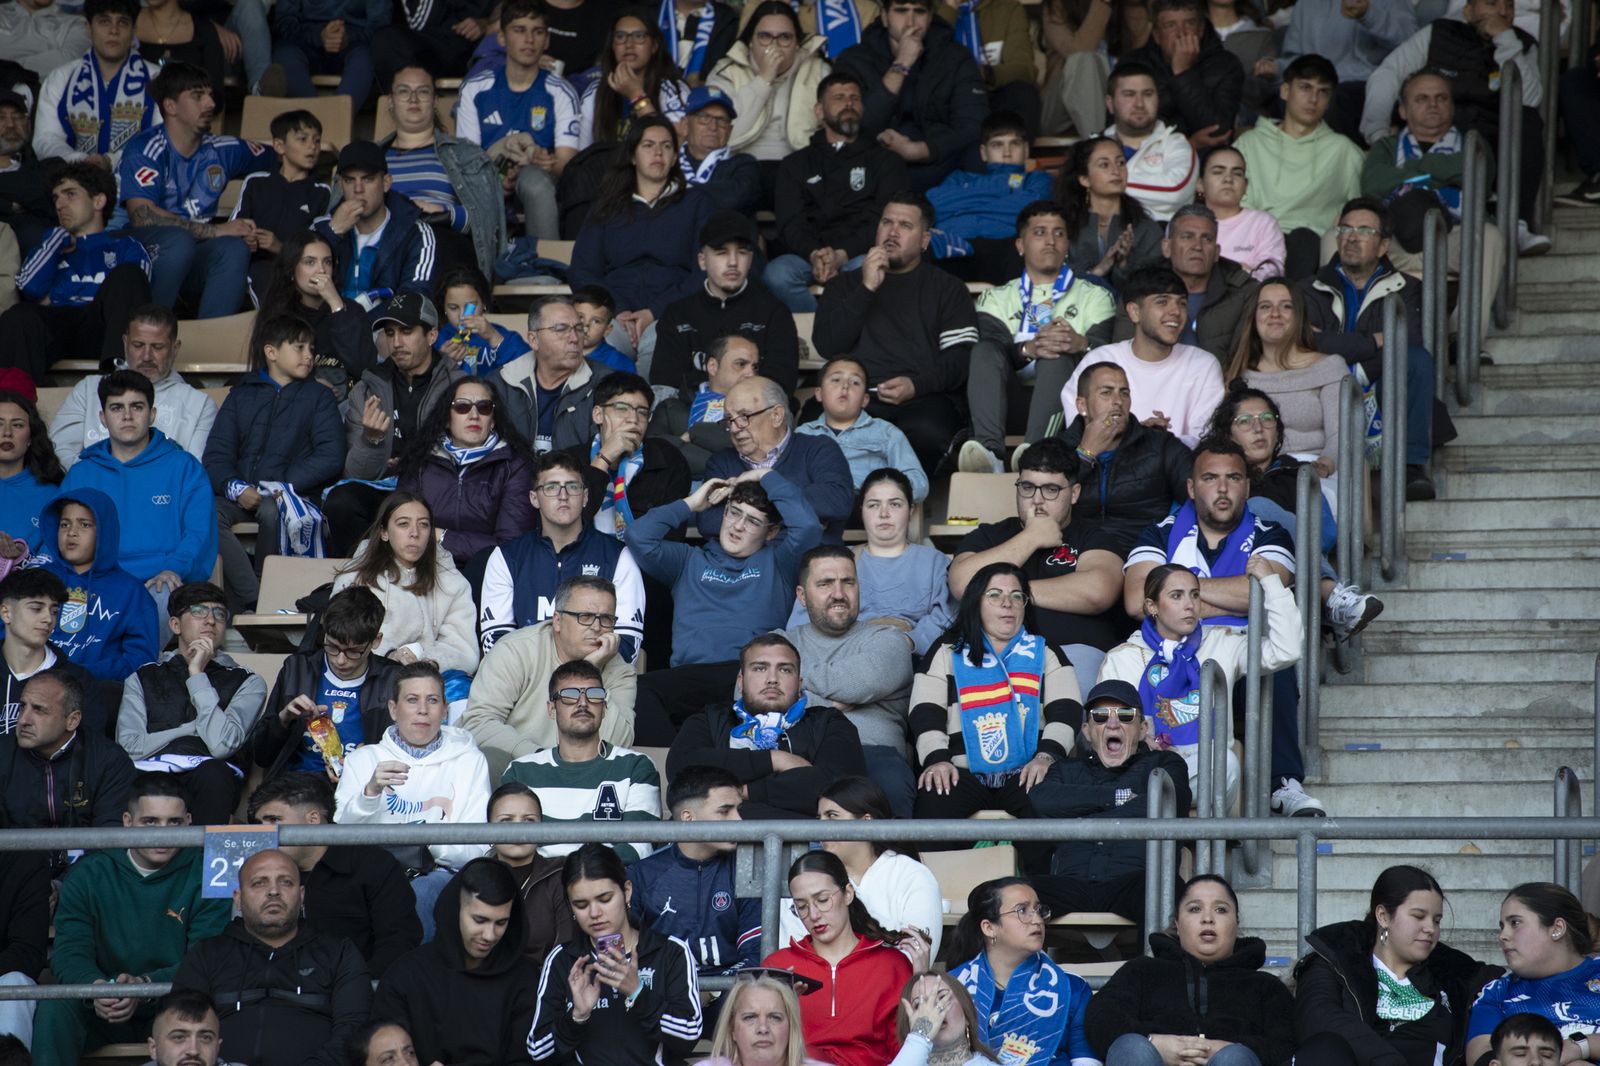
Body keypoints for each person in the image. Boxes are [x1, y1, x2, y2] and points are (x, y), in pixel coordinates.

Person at [1120, 440, 1321, 816]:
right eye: (1210, 478)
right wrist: (1233, 594)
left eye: (1234, 478)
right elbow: (1135, 600)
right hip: (1175, 647)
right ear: (1192, 488)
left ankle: (1282, 783)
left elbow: (1266, 591)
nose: (1223, 488)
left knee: (1276, 670)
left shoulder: (1270, 532)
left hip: (1239, 647)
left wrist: (1178, 594)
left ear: (1247, 485)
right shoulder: (1159, 532)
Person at [30, 776, 231, 1066]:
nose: (162, 834)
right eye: (150, 821)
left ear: (189, 822)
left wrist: (144, 987)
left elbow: (206, 957)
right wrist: (96, 988)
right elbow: (69, 951)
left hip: (176, 1004)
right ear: (127, 821)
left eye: (173, 823)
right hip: (101, 1006)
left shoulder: (209, 872)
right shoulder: (89, 874)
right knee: (55, 1009)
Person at [629, 473, 822, 744]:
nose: (738, 526)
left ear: (772, 531)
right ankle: (679, 766)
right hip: (691, 677)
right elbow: (638, 536)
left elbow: (808, 527)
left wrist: (763, 474)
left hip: (749, 674)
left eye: (753, 521)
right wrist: (692, 504)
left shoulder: (779, 562)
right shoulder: (688, 560)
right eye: (734, 513)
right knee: (636, 691)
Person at [1098, 561, 1297, 809]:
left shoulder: (1221, 643)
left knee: (1225, 763)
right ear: (1152, 606)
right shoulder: (1123, 657)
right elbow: (1104, 733)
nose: (1189, 605)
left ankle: (1159, 806)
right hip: (1142, 767)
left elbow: (1286, 650)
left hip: (1202, 771)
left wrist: (1271, 582)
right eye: (1176, 596)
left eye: (1194, 594)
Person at [1359, 0, 1548, 254]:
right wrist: (1379, 134)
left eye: (1509, 5)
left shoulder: (1522, 42)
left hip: (1495, 139)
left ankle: (1517, 225)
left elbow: (1531, 99)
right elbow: (1388, 73)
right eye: (1492, 3)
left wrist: (1505, 39)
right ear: (1469, 9)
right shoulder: (1439, 33)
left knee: (1529, 122)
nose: (1502, 12)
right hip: (1442, 133)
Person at [812, 190, 980, 472]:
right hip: (852, 397)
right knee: (814, 434)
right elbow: (828, 345)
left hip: (922, 400)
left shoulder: (948, 289)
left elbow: (960, 362)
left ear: (925, 240)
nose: (892, 232)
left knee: (929, 431)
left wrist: (916, 385)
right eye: (886, 223)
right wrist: (866, 289)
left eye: (905, 226)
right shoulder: (844, 286)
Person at [948, 439, 1126, 694]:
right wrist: (1030, 537)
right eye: (1027, 487)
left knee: (1072, 700)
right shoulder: (990, 535)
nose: (1037, 500)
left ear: (1074, 493)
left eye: (1051, 489)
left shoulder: (1094, 538)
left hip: (1073, 652)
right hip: (993, 651)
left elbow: (1098, 591)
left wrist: (1008, 591)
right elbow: (963, 584)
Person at [1205, 385, 1381, 642]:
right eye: (1245, 421)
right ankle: (1331, 597)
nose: (1258, 428)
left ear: (1277, 431)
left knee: (1259, 509)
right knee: (1258, 508)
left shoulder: (1299, 474)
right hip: (1228, 567)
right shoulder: (1213, 479)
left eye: (1267, 419)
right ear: (1228, 433)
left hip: (1288, 575)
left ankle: (1331, 598)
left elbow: (1326, 535)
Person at [910, 562, 1081, 823]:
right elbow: (925, 713)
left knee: (1049, 804)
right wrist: (937, 760)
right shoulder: (947, 651)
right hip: (959, 771)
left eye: (1016, 596)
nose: (1007, 603)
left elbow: (1066, 713)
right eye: (994, 595)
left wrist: (1046, 757)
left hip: (1030, 770)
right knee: (935, 799)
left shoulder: (1045, 653)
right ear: (975, 603)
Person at [333, 662, 493, 940]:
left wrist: (425, 843)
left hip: (440, 876)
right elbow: (342, 843)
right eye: (412, 700)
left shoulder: (470, 760)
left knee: (419, 893)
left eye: (432, 700)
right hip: (371, 873)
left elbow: (478, 848)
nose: (423, 710)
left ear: (445, 710)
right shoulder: (363, 760)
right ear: (394, 709)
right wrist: (370, 793)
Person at [171, 849, 373, 1066]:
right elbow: (184, 1027)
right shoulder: (207, 954)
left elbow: (353, 1028)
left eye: (286, 882)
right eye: (259, 883)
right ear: (238, 898)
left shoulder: (338, 953)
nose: (274, 891)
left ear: (302, 895)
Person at [960, 199, 1117, 473]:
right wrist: (1029, 349)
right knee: (983, 350)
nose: (1051, 240)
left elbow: (1110, 354)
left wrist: (1080, 344)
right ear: (1020, 245)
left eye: (1059, 233)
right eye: (1040, 232)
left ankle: (1035, 453)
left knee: (1057, 356)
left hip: (1069, 405)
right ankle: (989, 453)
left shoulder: (1096, 296)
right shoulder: (995, 298)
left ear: (1068, 244)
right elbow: (994, 349)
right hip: (1006, 404)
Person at [1298, 198, 1438, 501]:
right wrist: (1373, 341)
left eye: (1364, 230)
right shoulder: (1308, 289)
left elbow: (1406, 342)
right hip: (1324, 383)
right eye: (1346, 228)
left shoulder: (1408, 288)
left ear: (1384, 245)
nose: (1351, 236)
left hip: (1380, 383)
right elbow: (1307, 342)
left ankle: (1409, 467)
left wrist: (1357, 368)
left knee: (1417, 361)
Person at [203, 315, 344, 613]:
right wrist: (236, 487)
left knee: (271, 509)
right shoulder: (241, 394)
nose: (309, 355)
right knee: (204, 511)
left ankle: (265, 593)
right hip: (242, 494)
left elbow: (331, 455)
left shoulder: (319, 397)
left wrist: (277, 487)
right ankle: (255, 598)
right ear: (271, 352)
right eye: (299, 347)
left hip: (294, 495)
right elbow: (216, 456)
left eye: (311, 348)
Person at [1085, 875, 1296, 1066]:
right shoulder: (1141, 971)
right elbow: (1101, 1019)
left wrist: (1223, 1048)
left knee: (1236, 1058)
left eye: (1221, 909)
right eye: (1195, 909)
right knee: (1132, 1047)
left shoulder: (1265, 986)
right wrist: (1155, 1042)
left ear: (1236, 923)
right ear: (1177, 923)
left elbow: (1285, 1043)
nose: (1207, 918)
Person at [118, 62, 274, 320]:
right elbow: (141, 216)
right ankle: (151, 332)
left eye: (210, 95)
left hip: (189, 256)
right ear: (170, 106)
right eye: (197, 96)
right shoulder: (145, 148)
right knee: (179, 242)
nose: (211, 104)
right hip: (135, 254)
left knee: (233, 248)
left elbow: (283, 158)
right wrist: (217, 230)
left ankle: (210, 343)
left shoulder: (222, 150)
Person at [1360, 68, 1501, 351]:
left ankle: (1462, 340)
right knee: (1337, 237)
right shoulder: (1387, 147)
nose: (1433, 104)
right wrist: (1448, 171)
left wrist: (1410, 173)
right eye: (1421, 99)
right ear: (1402, 109)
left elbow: (1480, 180)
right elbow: (1373, 184)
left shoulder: (1474, 145)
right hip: (1396, 242)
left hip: (1454, 239)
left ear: (1451, 105)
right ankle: (1349, 337)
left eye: (1441, 98)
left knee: (1491, 237)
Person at [1294, 865, 1493, 1066]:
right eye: (1418, 916)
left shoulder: (1455, 978)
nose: (1430, 928)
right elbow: (1318, 1018)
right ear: (1383, 916)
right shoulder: (1335, 961)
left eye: (1437, 920)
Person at [1028, 679, 1190, 925]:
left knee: (1168, 890)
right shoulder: (1065, 770)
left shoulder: (1164, 764)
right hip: (1071, 885)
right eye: (1100, 716)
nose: (1113, 723)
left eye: (1126, 715)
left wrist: (1080, 810)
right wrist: (1116, 798)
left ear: (1143, 728)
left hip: (1135, 883)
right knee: (996, 896)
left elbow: (1168, 805)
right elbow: (1042, 802)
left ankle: (1153, 964)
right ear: (1086, 730)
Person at [529, 843, 703, 1066]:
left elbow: (688, 1036)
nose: (594, 913)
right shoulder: (563, 959)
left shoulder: (670, 951)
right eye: (581, 904)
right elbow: (537, 1051)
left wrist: (637, 992)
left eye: (605, 899)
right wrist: (577, 1016)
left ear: (627, 891)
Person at [324, 292, 465, 558]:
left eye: (407, 331)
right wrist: (371, 440)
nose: (396, 342)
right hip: (385, 490)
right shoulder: (368, 387)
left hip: (436, 491)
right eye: (390, 333)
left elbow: (466, 456)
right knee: (342, 502)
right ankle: (366, 581)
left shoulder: (458, 385)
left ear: (432, 335)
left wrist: (411, 464)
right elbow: (356, 473)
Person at [60, 370, 217, 607]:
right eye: (116, 408)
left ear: (152, 414)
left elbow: (199, 535)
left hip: (161, 582)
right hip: (95, 584)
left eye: (137, 407)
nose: (127, 416)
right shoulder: (82, 473)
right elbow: (59, 536)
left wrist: (172, 568)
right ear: (103, 417)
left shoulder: (184, 467)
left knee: (164, 595)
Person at [668, 633, 867, 818]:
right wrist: (775, 760)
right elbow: (681, 769)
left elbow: (839, 788)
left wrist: (744, 792)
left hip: (806, 847)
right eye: (760, 668)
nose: (772, 679)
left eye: (785, 669)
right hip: (713, 848)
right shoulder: (711, 718)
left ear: (799, 684)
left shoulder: (829, 721)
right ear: (741, 681)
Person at [116, 582, 267, 825]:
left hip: (210, 778)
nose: (210, 620)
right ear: (175, 624)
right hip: (149, 773)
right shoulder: (143, 677)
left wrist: (197, 674)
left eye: (219, 614)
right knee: (118, 777)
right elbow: (129, 748)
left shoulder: (248, 682)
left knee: (214, 774)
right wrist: (189, 729)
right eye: (198, 611)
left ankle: (201, 861)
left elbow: (221, 746)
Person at [571, 117, 713, 371]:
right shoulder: (606, 206)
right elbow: (582, 270)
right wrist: (618, 310)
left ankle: (650, 411)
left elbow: (704, 271)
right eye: (648, 145)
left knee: (659, 350)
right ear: (633, 156)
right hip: (615, 315)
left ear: (674, 157)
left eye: (666, 146)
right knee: (600, 355)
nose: (658, 152)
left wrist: (654, 312)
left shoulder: (696, 203)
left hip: (671, 313)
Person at [247, 772, 422, 978]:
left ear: (313, 819)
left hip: (355, 998)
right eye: (260, 824)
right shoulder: (251, 869)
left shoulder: (373, 865)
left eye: (274, 820)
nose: (263, 833)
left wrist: (355, 988)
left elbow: (398, 943)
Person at [783, 546, 917, 814]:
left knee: (890, 785)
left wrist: (793, 681)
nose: (839, 594)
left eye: (848, 582)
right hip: (796, 754)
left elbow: (862, 681)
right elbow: (749, 697)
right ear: (802, 596)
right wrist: (832, 707)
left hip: (873, 755)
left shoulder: (888, 641)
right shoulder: (781, 642)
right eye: (825, 583)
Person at [476, 451, 647, 660]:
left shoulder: (617, 555)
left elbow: (628, 644)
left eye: (572, 486)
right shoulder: (507, 557)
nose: (563, 495)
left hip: (596, 683)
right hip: (525, 685)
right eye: (551, 487)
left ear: (585, 497)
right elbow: (496, 642)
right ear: (534, 498)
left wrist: (579, 675)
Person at [764, 71, 911, 313]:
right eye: (839, 97)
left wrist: (842, 254)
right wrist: (814, 255)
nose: (849, 103)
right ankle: (820, 332)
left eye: (855, 98)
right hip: (808, 256)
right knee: (777, 274)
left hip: (861, 253)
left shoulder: (886, 161)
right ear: (819, 111)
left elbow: (885, 219)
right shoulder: (795, 164)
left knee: (876, 267)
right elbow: (790, 222)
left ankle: (850, 337)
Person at [464, 577, 637, 779]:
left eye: (606, 618)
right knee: (490, 759)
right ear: (557, 621)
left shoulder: (620, 671)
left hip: (584, 775)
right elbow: (478, 722)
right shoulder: (516, 650)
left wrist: (591, 670)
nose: (597, 627)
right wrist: (539, 758)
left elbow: (620, 743)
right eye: (586, 616)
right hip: (519, 768)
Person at [372, 858, 540, 1066]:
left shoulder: (526, 978)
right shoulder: (405, 977)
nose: (489, 935)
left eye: (501, 923)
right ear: (456, 909)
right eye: (479, 920)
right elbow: (383, 1054)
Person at [3, 162, 151, 383]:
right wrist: (54, 241)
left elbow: (134, 295)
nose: (60, 205)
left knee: (128, 274)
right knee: (18, 316)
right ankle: (16, 401)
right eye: (56, 198)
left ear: (98, 201)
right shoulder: (51, 247)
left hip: (104, 326)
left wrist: (55, 295)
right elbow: (30, 289)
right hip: (61, 327)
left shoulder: (126, 246)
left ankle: (117, 379)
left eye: (70, 194)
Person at [762, 850, 913, 1066]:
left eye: (823, 900)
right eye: (801, 907)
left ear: (848, 894)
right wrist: (781, 1012)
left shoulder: (891, 965)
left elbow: (904, 1050)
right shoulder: (778, 966)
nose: (813, 915)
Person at [501, 658, 660, 861]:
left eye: (594, 695)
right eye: (569, 696)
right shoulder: (520, 771)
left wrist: (579, 878)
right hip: (539, 886)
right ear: (551, 709)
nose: (583, 703)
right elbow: (509, 847)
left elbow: (639, 848)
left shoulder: (635, 767)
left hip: (606, 885)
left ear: (604, 708)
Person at [248, 587, 404, 781]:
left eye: (353, 651)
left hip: (363, 783)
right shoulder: (298, 668)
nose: (340, 660)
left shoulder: (393, 678)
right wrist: (284, 719)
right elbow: (261, 754)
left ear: (376, 641)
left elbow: (407, 750)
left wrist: (364, 764)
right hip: (296, 785)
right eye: (331, 646)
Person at [1063, 266, 1226, 449]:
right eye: (1162, 302)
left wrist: (1155, 441)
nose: (1176, 312)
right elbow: (1081, 434)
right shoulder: (1099, 361)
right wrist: (1140, 435)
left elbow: (1203, 440)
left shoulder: (1203, 365)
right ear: (1134, 312)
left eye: (1182, 303)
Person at [331, 493, 480, 693]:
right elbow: (340, 642)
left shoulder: (452, 582)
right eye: (403, 524)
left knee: (460, 687)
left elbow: (464, 651)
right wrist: (389, 656)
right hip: (369, 680)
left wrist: (431, 662)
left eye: (424, 525)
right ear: (384, 532)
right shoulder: (354, 578)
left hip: (429, 681)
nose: (415, 533)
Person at [833, 0, 987, 190]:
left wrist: (919, 151)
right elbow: (852, 127)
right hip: (874, 166)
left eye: (919, 12)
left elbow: (972, 126)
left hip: (941, 166)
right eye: (901, 11)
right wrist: (902, 63)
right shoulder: (853, 60)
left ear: (930, 17)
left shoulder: (956, 57)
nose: (911, 22)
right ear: (884, 16)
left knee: (977, 152)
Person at [459, 3, 581, 242]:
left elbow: (566, 165)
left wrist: (546, 163)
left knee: (533, 180)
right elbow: (468, 163)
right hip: (487, 183)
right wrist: (498, 182)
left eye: (538, 31)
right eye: (519, 30)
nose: (529, 39)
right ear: (502, 38)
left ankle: (546, 270)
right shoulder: (475, 89)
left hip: (540, 183)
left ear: (546, 41)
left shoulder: (562, 92)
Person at [1234, 55, 1363, 280]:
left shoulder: (1344, 151)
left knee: (1304, 241)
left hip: (1314, 244)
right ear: (1285, 91)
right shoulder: (1249, 143)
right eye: (1305, 87)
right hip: (1256, 239)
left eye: (1323, 92)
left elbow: (1360, 208)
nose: (1314, 98)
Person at [627, 764, 762, 974]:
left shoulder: (746, 868)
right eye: (725, 811)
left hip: (730, 996)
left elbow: (755, 955)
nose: (738, 820)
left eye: (738, 810)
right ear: (688, 818)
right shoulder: (644, 874)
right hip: (662, 995)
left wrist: (715, 989)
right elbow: (626, 953)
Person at [946, 877, 1095, 1066]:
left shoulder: (1071, 988)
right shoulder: (952, 988)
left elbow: (1086, 1062)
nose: (1037, 920)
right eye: (1022, 910)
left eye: (1038, 910)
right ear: (989, 928)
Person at [651, 210, 800, 397]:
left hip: (756, 415)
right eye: (722, 253)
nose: (732, 262)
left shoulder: (775, 312)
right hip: (689, 419)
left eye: (742, 252)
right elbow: (665, 385)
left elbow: (779, 385)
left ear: (751, 259)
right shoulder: (676, 314)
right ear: (702, 261)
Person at [390, 376, 536, 567]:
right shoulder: (420, 460)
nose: (474, 415)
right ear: (447, 419)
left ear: (492, 421)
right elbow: (401, 531)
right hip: (423, 569)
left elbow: (510, 547)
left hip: (486, 575)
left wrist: (441, 537)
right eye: (462, 407)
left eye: (484, 407)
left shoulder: (514, 465)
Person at [379, 66, 507, 283]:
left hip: (442, 236)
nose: (413, 99)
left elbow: (488, 221)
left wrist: (443, 211)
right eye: (403, 91)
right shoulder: (372, 158)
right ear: (390, 100)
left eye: (423, 91)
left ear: (435, 100)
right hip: (387, 238)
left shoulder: (466, 155)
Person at [1222, 280, 1347, 501]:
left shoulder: (1330, 367)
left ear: (1299, 316)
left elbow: (1342, 435)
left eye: (1286, 306)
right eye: (1265, 306)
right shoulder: (1238, 376)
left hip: (1316, 472)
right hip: (1256, 475)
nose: (1275, 314)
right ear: (1253, 317)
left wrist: (1324, 466)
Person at [48, 307, 216, 470]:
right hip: (91, 493)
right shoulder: (88, 389)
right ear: (125, 342)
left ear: (175, 348)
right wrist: (100, 481)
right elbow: (60, 450)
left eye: (157, 347)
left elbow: (194, 470)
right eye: (138, 345)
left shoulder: (200, 405)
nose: (147, 356)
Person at [810, 467, 954, 656]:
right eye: (874, 505)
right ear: (861, 510)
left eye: (894, 504)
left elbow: (947, 616)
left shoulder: (935, 561)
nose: (884, 513)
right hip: (844, 656)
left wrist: (909, 641)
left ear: (911, 509)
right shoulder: (835, 561)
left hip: (914, 661)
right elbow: (804, 619)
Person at [1056, 361, 1192, 556]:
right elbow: (1045, 503)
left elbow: (1200, 493)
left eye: (1124, 393)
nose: (1118, 401)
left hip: (1144, 551)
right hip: (1073, 551)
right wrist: (1085, 454)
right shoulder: (1057, 447)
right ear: (1082, 405)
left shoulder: (1160, 445)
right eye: (1106, 392)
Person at [801, 776, 943, 960]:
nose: (821, 827)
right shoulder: (811, 877)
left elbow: (917, 956)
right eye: (819, 818)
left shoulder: (912, 875)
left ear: (867, 821)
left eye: (832, 816)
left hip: (891, 986)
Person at [701, 376, 857, 544]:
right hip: (747, 568)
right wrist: (800, 518)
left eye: (744, 416)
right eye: (729, 419)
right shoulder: (721, 462)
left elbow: (836, 502)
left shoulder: (818, 449)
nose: (733, 428)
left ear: (776, 415)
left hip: (810, 565)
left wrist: (760, 486)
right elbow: (709, 522)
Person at [31, 489, 163, 683]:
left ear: (104, 531)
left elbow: (141, 660)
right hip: (33, 688)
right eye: (64, 524)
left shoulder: (131, 592)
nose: (71, 532)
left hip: (99, 691)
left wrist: (84, 674)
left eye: (84, 525)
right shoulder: (34, 581)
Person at [1107, 204, 1258, 365]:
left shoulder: (1242, 291)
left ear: (1216, 252)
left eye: (1207, 238)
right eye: (1187, 237)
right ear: (1166, 247)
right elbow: (1123, 354)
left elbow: (1251, 359)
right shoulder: (1141, 288)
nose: (1197, 246)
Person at [1465, 883, 1600, 1062]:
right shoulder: (1497, 992)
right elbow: (1482, 1057)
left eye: (1515, 923)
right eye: (1502, 926)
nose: (1502, 935)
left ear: (1557, 928)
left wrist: (1580, 1046)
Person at [0, 668, 133, 836]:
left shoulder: (110, 762)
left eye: (39, 710)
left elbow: (110, 840)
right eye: (22, 706)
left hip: (88, 861)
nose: (23, 720)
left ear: (72, 720)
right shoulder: (3, 755)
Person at [925, 112, 1053, 281]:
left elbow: (1031, 211)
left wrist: (963, 206)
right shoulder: (959, 178)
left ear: (1026, 149)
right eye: (997, 145)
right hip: (952, 245)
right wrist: (1005, 196)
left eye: (1014, 144)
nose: (1007, 152)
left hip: (1005, 249)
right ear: (983, 152)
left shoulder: (1036, 179)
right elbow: (933, 204)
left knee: (1025, 248)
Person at [707, 2, 828, 179]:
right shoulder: (726, 72)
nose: (774, 45)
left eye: (785, 38)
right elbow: (724, 133)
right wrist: (763, 79)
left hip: (801, 167)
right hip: (739, 166)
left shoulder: (818, 71)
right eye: (765, 37)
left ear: (797, 43)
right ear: (750, 41)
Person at [313, 140, 437, 311]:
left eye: (368, 179)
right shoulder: (321, 229)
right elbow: (297, 283)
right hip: (328, 330)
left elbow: (414, 301)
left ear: (386, 183)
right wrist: (333, 233)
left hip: (385, 332)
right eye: (350, 180)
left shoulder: (416, 233)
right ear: (341, 185)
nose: (358, 189)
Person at [1271, 0, 1417, 143]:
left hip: (1372, 85)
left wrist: (1369, 15)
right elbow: (1296, 59)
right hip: (1320, 83)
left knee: (1332, 100)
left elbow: (1412, 46)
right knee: (1285, 95)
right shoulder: (1306, 3)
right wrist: (1277, 68)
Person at [33, 0, 158, 165]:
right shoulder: (61, 78)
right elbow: (45, 139)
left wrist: (111, 161)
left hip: (139, 183)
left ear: (133, 30)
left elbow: (163, 139)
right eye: (104, 22)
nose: (114, 31)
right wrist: (81, 161)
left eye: (122, 22)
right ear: (88, 28)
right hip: (75, 178)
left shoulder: (157, 77)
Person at [571, 371, 692, 540]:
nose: (634, 419)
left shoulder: (668, 460)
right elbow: (565, 527)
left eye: (642, 412)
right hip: (582, 562)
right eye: (621, 409)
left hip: (642, 563)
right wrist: (603, 458)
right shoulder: (569, 461)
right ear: (598, 415)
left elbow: (670, 538)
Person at [252, 234, 378, 394]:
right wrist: (309, 385)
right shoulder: (277, 313)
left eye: (327, 262)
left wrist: (336, 305)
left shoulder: (352, 311)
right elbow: (267, 371)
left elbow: (365, 368)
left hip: (350, 403)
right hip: (297, 401)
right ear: (291, 269)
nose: (321, 270)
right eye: (310, 262)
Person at [232, 114, 335, 305]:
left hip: (296, 269)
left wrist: (280, 247)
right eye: (303, 139)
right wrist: (246, 237)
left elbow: (319, 245)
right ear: (279, 146)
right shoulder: (256, 182)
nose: (312, 146)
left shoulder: (321, 192)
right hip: (252, 265)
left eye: (317, 140)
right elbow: (236, 225)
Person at [493, 296, 612, 457]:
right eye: (561, 329)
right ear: (534, 340)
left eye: (578, 328)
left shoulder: (605, 384)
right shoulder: (501, 382)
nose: (575, 339)